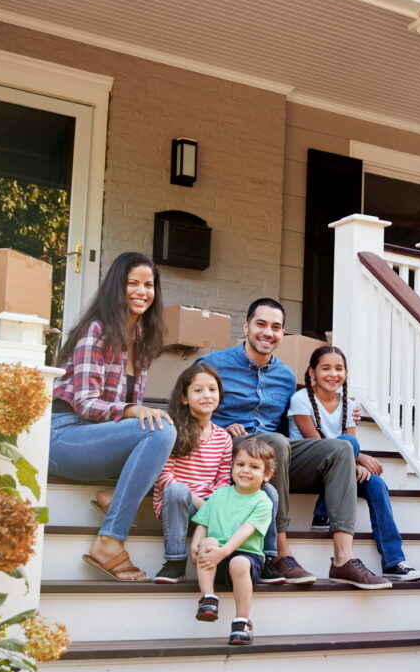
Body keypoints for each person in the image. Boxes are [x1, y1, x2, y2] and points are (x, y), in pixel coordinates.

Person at [199, 298, 391, 590]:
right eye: (261, 324)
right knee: (276, 442)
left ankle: (342, 559)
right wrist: (223, 427)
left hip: (276, 452)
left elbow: (286, 427)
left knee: (340, 448)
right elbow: (188, 410)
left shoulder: (285, 376)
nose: (268, 332)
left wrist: (354, 441)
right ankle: (279, 553)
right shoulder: (213, 364)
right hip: (233, 449)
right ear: (246, 326)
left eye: (276, 327)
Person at [49, 252, 176, 582]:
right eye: (132, 283)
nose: (141, 291)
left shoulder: (141, 339)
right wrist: (132, 410)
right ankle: (109, 541)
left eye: (148, 285)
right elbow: (85, 403)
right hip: (64, 436)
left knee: (171, 430)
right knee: (159, 431)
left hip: (98, 438)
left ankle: (115, 496)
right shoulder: (97, 330)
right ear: (116, 289)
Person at [288, 346, 420, 581]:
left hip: (337, 475)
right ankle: (322, 512)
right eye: (325, 368)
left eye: (339, 368)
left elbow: (350, 448)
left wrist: (357, 462)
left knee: (376, 484)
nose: (333, 374)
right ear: (312, 373)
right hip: (308, 469)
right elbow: (320, 446)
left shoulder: (349, 405)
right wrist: (357, 459)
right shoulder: (301, 401)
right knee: (348, 442)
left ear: (346, 373)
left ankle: (393, 560)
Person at [150, 362, 280, 584]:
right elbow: (164, 478)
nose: (206, 395)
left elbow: (222, 481)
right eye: (198, 390)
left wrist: (215, 506)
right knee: (177, 489)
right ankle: (175, 562)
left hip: (215, 504)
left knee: (267, 492)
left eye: (212, 389)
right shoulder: (172, 430)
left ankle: (265, 558)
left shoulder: (223, 437)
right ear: (184, 397)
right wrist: (205, 506)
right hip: (181, 503)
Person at [191, 437, 275, 645]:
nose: (245, 470)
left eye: (254, 467)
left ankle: (242, 622)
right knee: (208, 542)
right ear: (232, 468)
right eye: (240, 464)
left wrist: (225, 551)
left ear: (267, 475)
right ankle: (208, 598)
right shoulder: (220, 495)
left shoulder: (262, 501)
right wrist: (195, 544)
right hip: (216, 560)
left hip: (246, 558)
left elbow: (246, 530)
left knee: (238, 562)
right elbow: (204, 523)